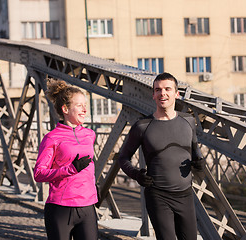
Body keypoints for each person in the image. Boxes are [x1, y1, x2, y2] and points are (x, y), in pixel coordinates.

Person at [118, 72, 204, 240]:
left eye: (167, 89)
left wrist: (200, 163)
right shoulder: (142, 126)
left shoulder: (189, 121)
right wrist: (137, 175)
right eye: (158, 90)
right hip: (158, 196)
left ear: (176, 94)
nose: (162, 93)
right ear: (153, 95)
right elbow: (123, 158)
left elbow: (195, 151)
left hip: (185, 195)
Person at [34, 79, 98, 240]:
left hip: (87, 206)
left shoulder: (90, 135)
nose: (84, 110)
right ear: (65, 109)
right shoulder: (52, 138)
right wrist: (70, 169)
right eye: (79, 105)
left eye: (85, 105)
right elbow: (39, 173)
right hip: (60, 208)